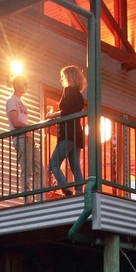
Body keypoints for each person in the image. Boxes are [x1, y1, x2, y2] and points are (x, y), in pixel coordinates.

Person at [47, 65, 86, 196]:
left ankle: (65, 188)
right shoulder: (79, 95)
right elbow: (72, 110)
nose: (61, 79)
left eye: (63, 76)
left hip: (67, 133)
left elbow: (67, 111)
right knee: (75, 166)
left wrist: (53, 115)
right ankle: (79, 191)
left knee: (53, 163)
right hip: (77, 134)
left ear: (69, 77)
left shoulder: (68, 90)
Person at [6, 73, 45, 202]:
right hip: (21, 138)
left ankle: (40, 198)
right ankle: (28, 199)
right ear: (17, 84)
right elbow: (15, 122)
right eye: (24, 83)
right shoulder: (11, 101)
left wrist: (30, 131)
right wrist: (29, 128)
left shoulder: (22, 102)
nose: (26, 86)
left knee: (39, 167)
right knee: (26, 169)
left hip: (28, 137)